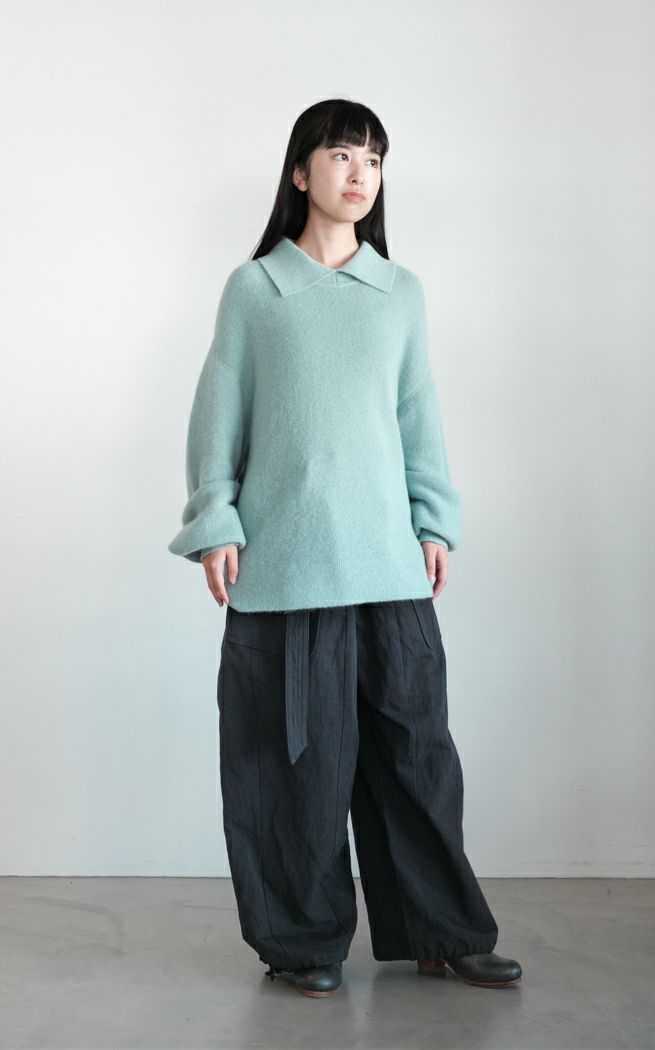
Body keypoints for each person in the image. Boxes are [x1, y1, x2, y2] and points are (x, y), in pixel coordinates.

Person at [168, 97, 522, 998]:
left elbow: (418, 416)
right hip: (285, 569)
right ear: (300, 172)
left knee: (417, 756)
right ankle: (301, 943)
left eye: (373, 159)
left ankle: (443, 932)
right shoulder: (256, 290)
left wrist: (433, 521)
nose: (360, 173)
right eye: (341, 155)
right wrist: (216, 524)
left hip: (388, 567)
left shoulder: (400, 293)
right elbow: (218, 416)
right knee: (290, 766)